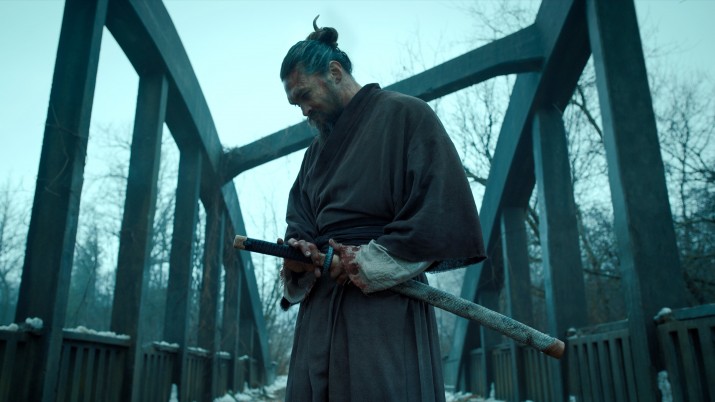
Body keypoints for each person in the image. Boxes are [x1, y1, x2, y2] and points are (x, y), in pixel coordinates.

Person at [278, 18, 486, 401]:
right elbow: (300, 221)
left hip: (385, 306)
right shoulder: (313, 155)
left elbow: (435, 211)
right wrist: (299, 256)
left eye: (305, 95)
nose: (304, 110)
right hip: (320, 312)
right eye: (296, 103)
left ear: (334, 73)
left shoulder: (408, 115)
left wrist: (362, 262)